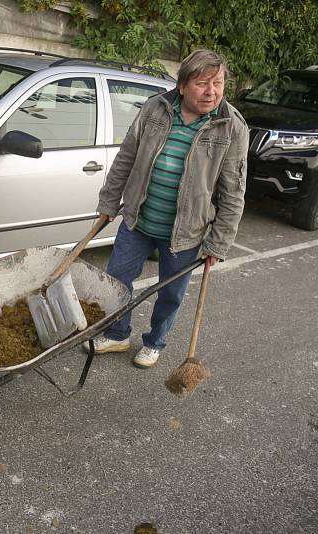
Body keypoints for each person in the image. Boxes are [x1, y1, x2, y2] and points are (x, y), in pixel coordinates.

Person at [86, 49, 249, 369]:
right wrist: (109, 201)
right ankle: (118, 333)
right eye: (203, 83)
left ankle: (155, 342)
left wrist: (218, 242)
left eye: (218, 83)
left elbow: (233, 193)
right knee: (117, 280)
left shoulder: (231, 128)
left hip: (186, 232)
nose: (211, 91)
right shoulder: (155, 109)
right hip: (139, 218)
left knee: (171, 295)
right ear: (183, 85)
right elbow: (126, 158)